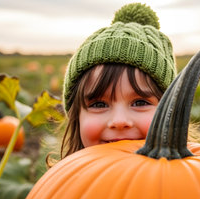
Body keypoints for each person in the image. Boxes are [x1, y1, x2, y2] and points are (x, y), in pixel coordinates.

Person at [47, 3, 178, 166]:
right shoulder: (65, 185)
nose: (119, 121)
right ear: (77, 117)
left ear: (172, 114)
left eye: (140, 102)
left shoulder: (187, 182)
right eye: (99, 104)